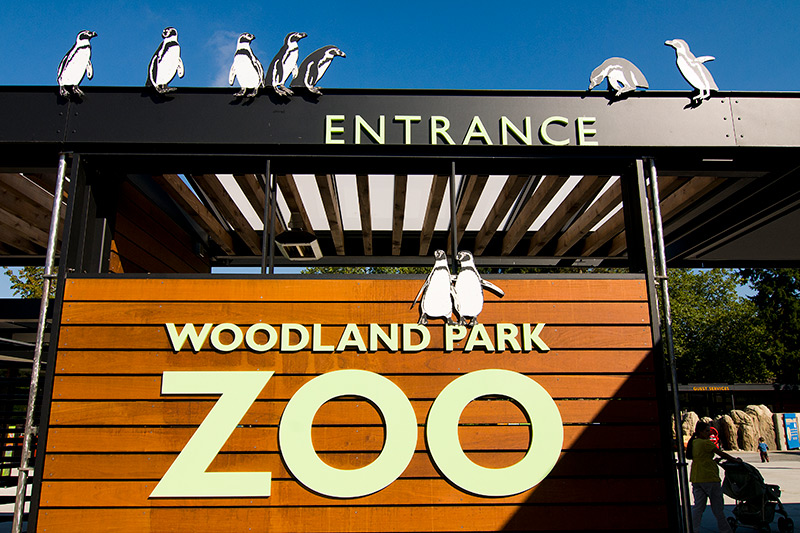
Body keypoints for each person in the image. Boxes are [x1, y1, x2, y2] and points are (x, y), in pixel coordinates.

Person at [687, 421, 742, 533]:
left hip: (697, 477)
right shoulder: (706, 443)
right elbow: (722, 454)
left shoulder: (694, 442)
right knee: (718, 508)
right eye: (707, 431)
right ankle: (725, 530)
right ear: (700, 432)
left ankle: (694, 529)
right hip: (709, 477)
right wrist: (735, 460)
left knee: (698, 507)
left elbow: (702, 456)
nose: (709, 434)